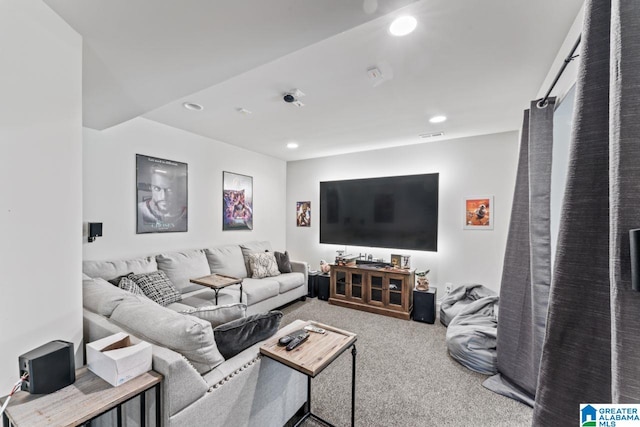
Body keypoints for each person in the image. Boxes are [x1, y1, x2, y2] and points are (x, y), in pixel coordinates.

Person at [138, 166, 187, 232]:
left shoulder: (184, 212)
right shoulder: (140, 209)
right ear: (151, 188)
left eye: (169, 189)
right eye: (157, 188)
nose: (163, 196)